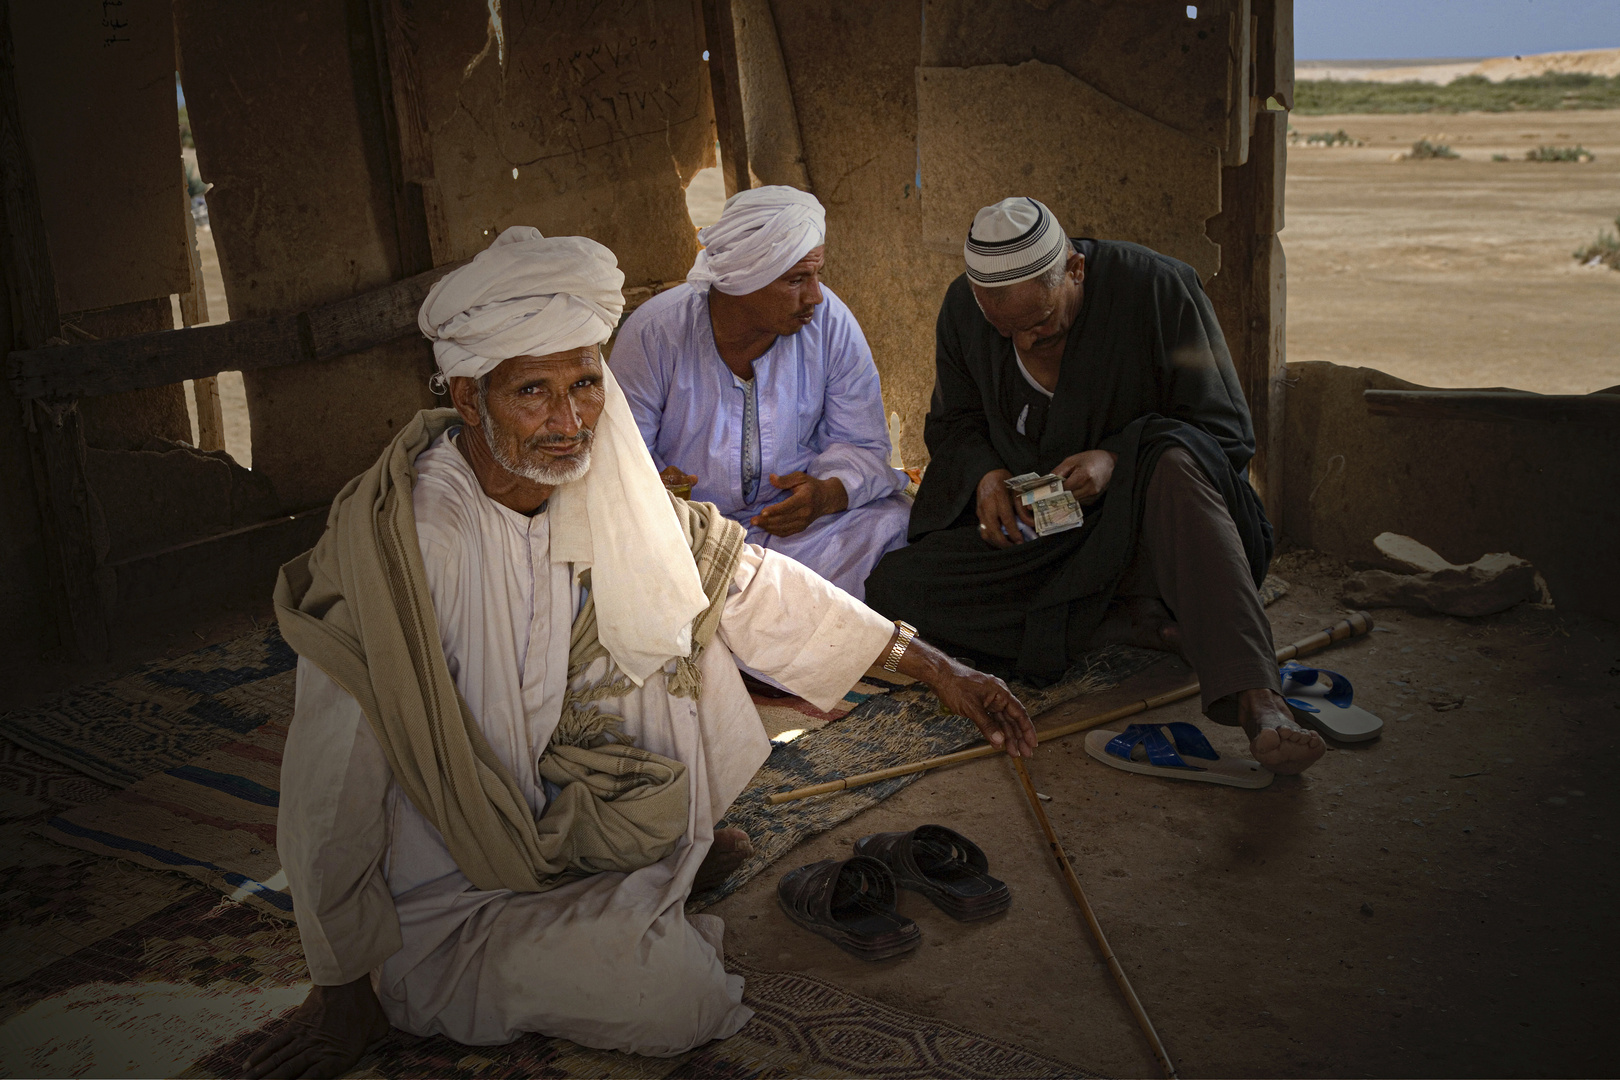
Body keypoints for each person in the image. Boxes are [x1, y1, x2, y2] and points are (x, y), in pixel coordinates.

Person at [248, 226, 1034, 1079]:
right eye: (534, 393)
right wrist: (338, 978)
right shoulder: (407, 544)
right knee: (679, 1002)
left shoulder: (592, 478)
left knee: (677, 602)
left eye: (586, 384)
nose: (570, 420)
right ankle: (414, 973)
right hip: (448, 880)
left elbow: (749, 582)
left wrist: (935, 667)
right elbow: (331, 771)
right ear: (470, 397)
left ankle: (654, 861)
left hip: (563, 802)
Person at [864, 197, 1323, 775]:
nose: (1026, 344)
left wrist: (1118, 459)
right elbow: (954, 423)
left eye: (1040, 325)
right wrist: (986, 476)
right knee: (895, 589)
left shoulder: (1160, 291)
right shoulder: (963, 309)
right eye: (1007, 332)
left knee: (1173, 463)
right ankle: (1138, 624)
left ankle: (1259, 698)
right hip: (1050, 542)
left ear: (1074, 270)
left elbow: (1225, 434)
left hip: (1159, 529)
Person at [610, 186, 910, 601]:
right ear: (742, 282)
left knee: (893, 522)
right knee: (645, 579)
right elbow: (621, 458)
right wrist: (661, 488)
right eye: (796, 280)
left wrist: (825, 495)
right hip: (693, 536)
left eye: (817, 275)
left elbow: (861, 442)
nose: (815, 296)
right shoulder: (654, 334)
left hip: (804, 536)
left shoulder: (829, 322)